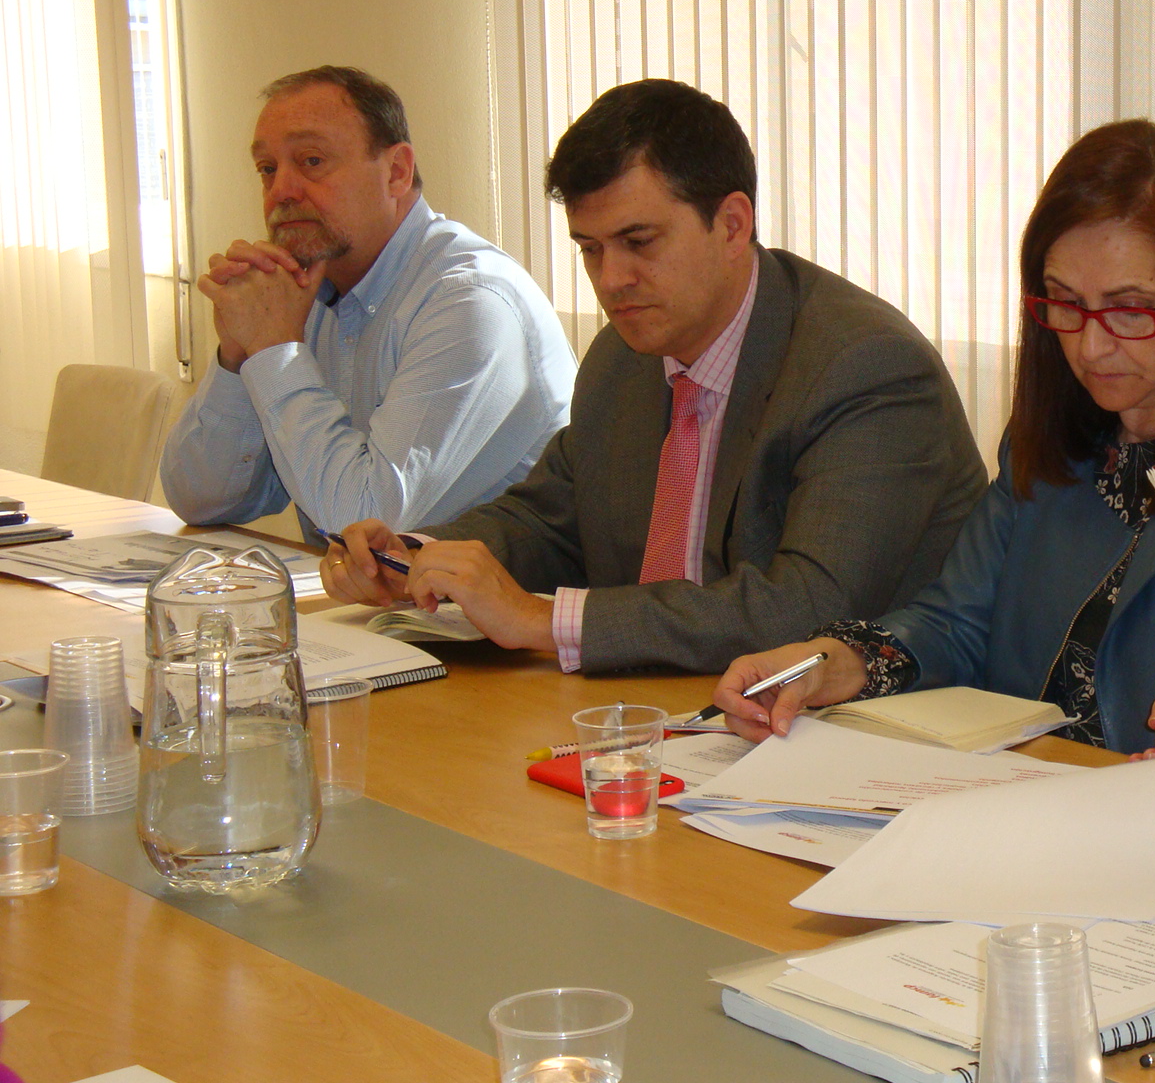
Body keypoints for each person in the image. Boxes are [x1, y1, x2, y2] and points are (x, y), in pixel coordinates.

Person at [713, 119, 1155, 808]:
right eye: (1065, 304)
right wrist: (824, 665)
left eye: (1130, 310)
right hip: (1065, 818)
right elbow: (958, 621)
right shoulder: (1055, 437)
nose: (1088, 346)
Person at [321, 78, 987, 675]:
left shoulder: (862, 365)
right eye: (590, 249)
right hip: (667, 718)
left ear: (731, 225)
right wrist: (418, 557)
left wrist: (540, 620)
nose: (611, 280)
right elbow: (552, 520)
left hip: (852, 738)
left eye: (640, 243)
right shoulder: (623, 357)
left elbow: (807, 609)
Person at [160, 67, 576, 538]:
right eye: (267, 169)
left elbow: (364, 522)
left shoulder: (470, 302)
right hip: (372, 604)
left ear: (396, 172)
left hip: (484, 608)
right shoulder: (300, 294)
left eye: (312, 161)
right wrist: (238, 353)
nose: (281, 191)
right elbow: (198, 499)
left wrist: (275, 350)